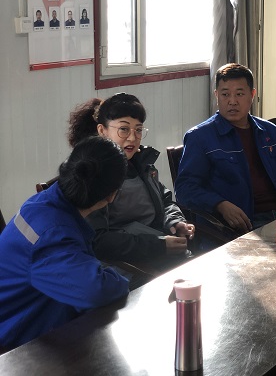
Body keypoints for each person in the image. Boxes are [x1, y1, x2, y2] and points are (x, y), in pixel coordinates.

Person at [0, 136, 130, 351]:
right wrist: (120, 279)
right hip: (14, 347)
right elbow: (95, 291)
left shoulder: (44, 202)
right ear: (111, 196)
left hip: (39, 322)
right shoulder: (52, 235)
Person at [175, 63, 276, 247]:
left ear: (252, 95)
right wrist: (220, 204)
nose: (232, 101)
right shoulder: (200, 137)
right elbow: (185, 189)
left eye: (239, 94)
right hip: (242, 226)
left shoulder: (269, 131)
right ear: (216, 95)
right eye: (225, 94)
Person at [67, 93, 195, 270]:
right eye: (124, 129)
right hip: (127, 267)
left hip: (159, 249)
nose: (133, 138)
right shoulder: (91, 175)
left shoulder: (141, 163)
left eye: (138, 130)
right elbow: (98, 240)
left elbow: (164, 200)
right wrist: (158, 245)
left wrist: (175, 222)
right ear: (102, 131)